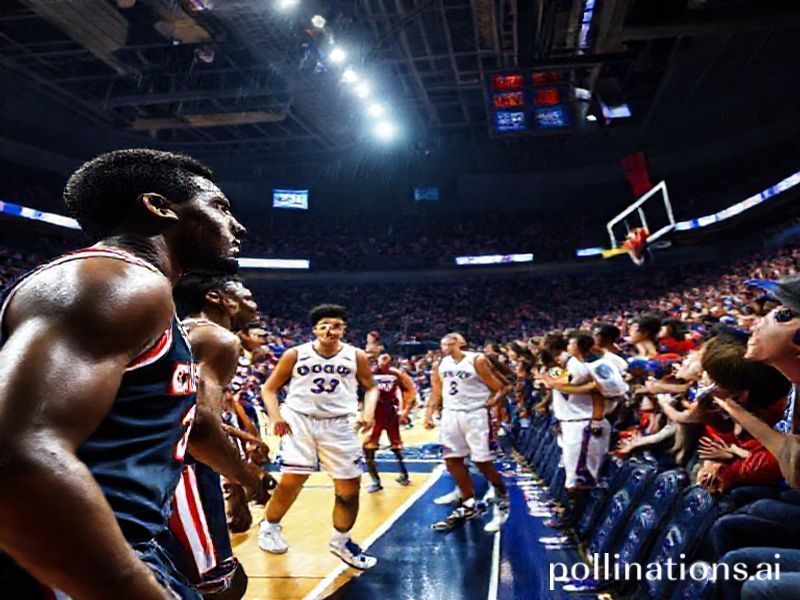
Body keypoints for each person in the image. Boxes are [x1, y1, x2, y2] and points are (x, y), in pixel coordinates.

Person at [0, 149, 245, 599]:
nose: (238, 226)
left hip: (106, 544)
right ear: (159, 206)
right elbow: (16, 456)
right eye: (220, 207)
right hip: (61, 558)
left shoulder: (135, 290)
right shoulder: (115, 281)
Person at [167, 273, 269, 599]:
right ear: (216, 297)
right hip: (178, 471)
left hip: (136, 468)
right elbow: (198, 425)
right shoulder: (218, 338)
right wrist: (249, 480)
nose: (253, 297)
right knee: (221, 585)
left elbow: (183, 410)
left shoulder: (180, 330)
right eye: (244, 292)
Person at [258, 304, 379, 570]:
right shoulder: (295, 354)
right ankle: (269, 527)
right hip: (299, 421)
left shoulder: (356, 356)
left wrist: (367, 414)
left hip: (339, 425)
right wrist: (276, 417)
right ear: (314, 330)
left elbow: (371, 388)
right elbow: (269, 389)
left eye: (336, 325)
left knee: (349, 490)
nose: (329, 329)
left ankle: (341, 542)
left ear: (343, 330)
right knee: (291, 481)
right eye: (324, 325)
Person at [424, 333, 509, 533]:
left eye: (449, 342)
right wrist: (428, 414)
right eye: (443, 342)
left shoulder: (476, 359)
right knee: (452, 459)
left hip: (474, 414)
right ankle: (467, 500)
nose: (445, 345)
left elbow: (500, 387)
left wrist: (492, 403)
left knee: (482, 462)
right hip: (451, 414)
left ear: (460, 344)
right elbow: (436, 391)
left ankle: (502, 496)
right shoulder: (441, 364)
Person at [364, 353, 416, 492]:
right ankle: (376, 481)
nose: (384, 365)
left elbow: (410, 390)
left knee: (395, 446)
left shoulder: (396, 374)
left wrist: (405, 409)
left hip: (389, 412)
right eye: (382, 362)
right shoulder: (369, 373)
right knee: (369, 447)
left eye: (387, 363)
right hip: (375, 413)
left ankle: (403, 474)